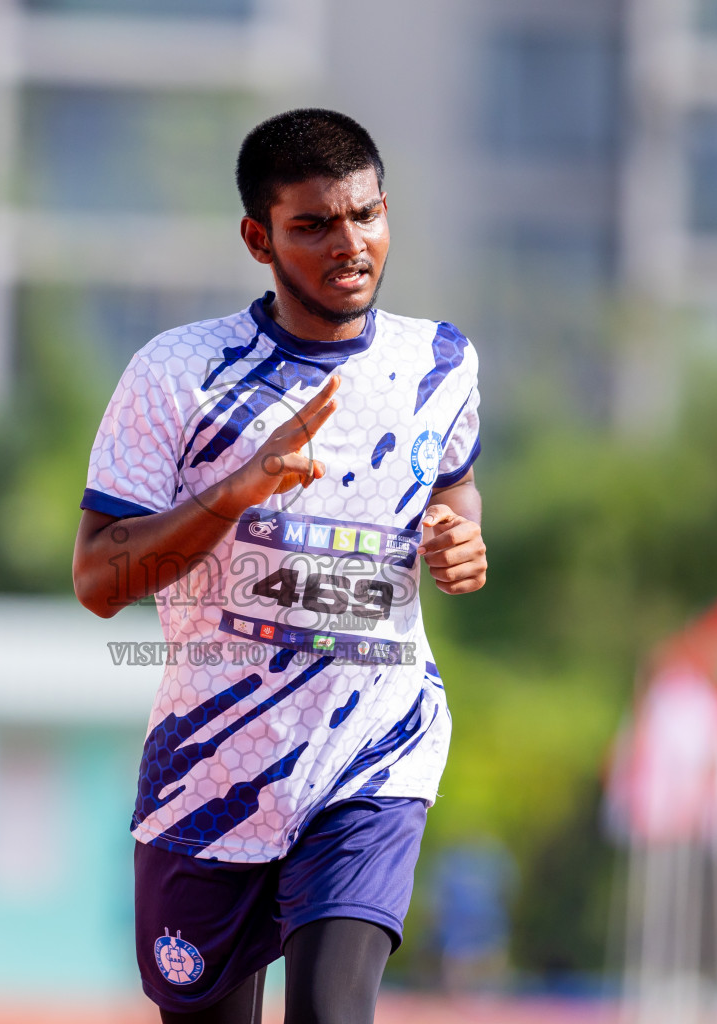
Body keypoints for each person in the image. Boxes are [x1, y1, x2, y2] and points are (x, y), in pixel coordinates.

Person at [73, 108, 487, 1024]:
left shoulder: (440, 364)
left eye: (367, 216)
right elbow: (100, 580)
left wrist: (460, 539)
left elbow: (451, 488)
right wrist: (235, 493)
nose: (351, 245)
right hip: (209, 772)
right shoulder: (178, 374)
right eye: (314, 226)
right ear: (259, 238)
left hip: (373, 751)